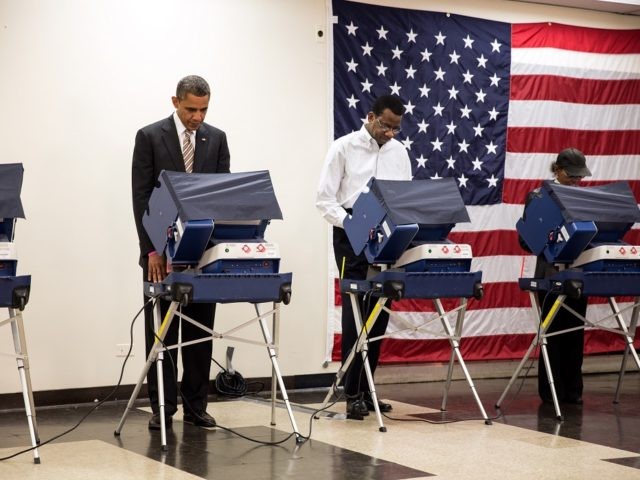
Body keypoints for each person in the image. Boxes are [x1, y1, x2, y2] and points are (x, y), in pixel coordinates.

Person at [132, 75, 230, 430]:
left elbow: (222, 196)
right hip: (162, 253)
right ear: (175, 102)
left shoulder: (216, 139)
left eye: (203, 109)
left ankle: (195, 406)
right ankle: (161, 408)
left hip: (203, 252)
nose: (197, 117)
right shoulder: (149, 137)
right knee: (162, 333)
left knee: (200, 332)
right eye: (191, 109)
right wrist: (152, 251)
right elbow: (141, 198)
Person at [316, 95, 412, 419]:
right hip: (350, 233)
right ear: (370, 116)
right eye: (385, 126)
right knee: (355, 313)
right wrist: (352, 224)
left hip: (387, 233)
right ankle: (352, 393)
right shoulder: (343, 147)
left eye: (396, 129)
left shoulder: (400, 152)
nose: (390, 134)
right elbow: (324, 199)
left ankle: (369, 390)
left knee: (380, 310)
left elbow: (405, 195)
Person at [519, 148, 592, 405]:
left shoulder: (584, 197)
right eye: (572, 175)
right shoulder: (538, 196)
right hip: (549, 274)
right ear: (558, 170)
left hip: (578, 271)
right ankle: (551, 393)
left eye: (579, 177)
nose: (576, 181)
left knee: (575, 333)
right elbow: (524, 239)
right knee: (553, 334)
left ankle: (573, 391)